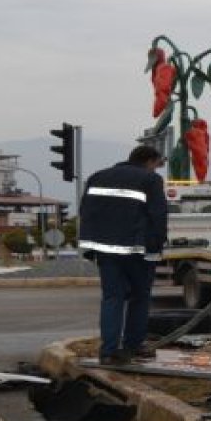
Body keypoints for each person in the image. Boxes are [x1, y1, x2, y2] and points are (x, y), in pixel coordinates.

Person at [79, 145, 168, 365]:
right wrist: (157, 246)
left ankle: (108, 352)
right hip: (136, 250)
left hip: (105, 250)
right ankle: (134, 346)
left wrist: (92, 245)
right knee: (139, 298)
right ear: (149, 161)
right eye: (157, 165)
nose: (156, 170)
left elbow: (85, 211)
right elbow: (158, 214)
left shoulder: (96, 177)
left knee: (112, 298)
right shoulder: (150, 180)